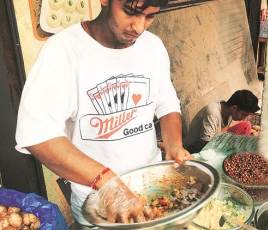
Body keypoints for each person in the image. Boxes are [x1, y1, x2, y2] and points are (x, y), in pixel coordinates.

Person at [15, 0, 191, 226]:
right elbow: (36, 134)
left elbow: (167, 103)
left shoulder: (153, 47)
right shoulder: (63, 51)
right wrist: (107, 183)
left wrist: (174, 145)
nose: (138, 27)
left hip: (153, 187)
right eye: (130, 12)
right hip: (97, 200)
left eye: (149, 16)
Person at [185, 89, 260, 153]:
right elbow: (205, 145)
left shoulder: (228, 110)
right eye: (243, 114)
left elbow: (223, 130)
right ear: (234, 108)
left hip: (212, 140)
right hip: (196, 147)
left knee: (246, 125)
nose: (244, 118)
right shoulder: (212, 113)